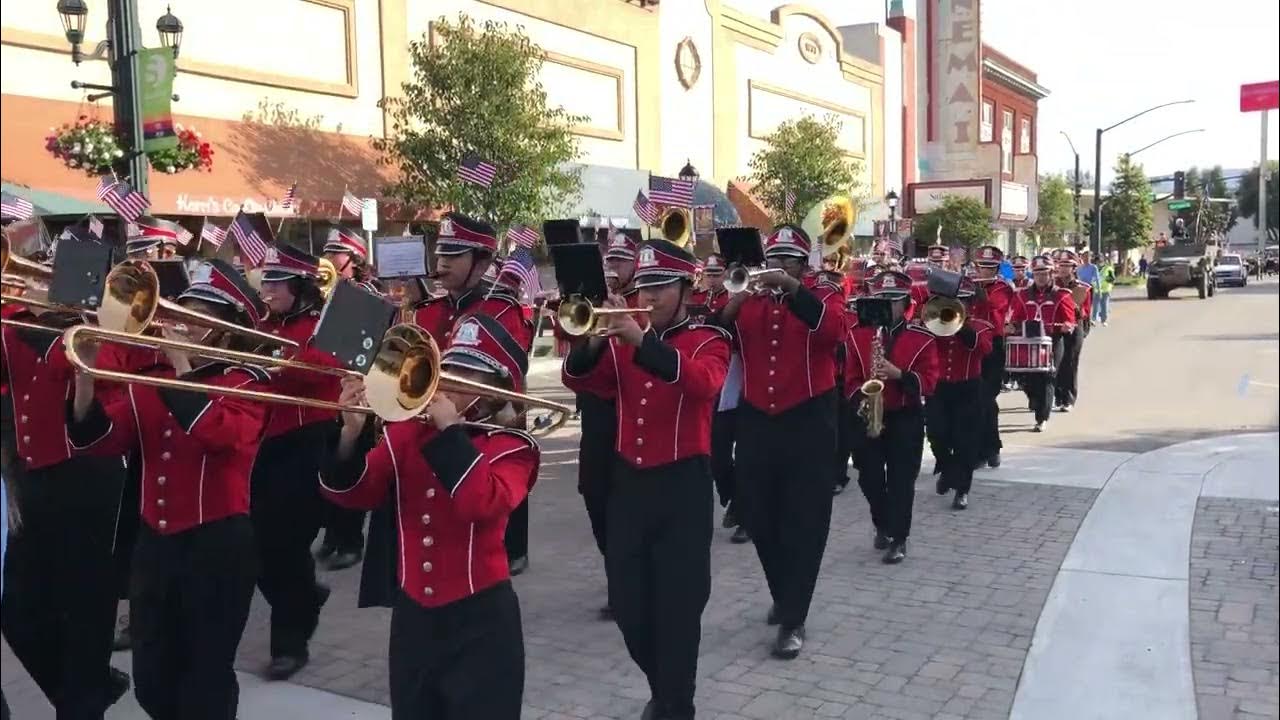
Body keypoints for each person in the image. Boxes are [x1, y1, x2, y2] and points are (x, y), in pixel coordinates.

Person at [68, 259, 271, 720]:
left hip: (217, 544)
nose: (178, 326)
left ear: (225, 329)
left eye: (195, 319)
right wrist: (85, 377)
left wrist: (182, 368)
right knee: (153, 678)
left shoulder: (248, 382)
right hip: (155, 544)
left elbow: (219, 434)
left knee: (206, 676)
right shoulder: (154, 378)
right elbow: (103, 439)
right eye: (181, 315)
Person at [322, 314, 539, 720]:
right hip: (413, 617)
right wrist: (350, 433)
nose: (445, 381)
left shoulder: (512, 447)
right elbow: (352, 494)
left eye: (463, 372)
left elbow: (482, 504)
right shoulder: (406, 434)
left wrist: (451, 433)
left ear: (491, 390)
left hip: (481, 621)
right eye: (448, 367)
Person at [563, 239, 730, 720]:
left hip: (684, 485)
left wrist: (641, 341)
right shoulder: (622, 341)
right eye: (644, 286)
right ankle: (666, 689)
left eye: (660, 287)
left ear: (685, 288)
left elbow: (704, 385)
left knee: (679, 609)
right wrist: (595, 338)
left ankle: (676, 703)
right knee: (628, 605)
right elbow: (582, 383)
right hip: (630, 484)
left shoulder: (709, 338)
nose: (650, 297)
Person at [712, 225, 844, 660]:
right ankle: (784, 595)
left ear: (804, 267)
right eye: (776, 259)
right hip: (757, 421)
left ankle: (793, 618)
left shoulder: (822, 296)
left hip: (808, 419)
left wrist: (792, 290)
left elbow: (833, 334)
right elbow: (716, 338)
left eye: (789, 261)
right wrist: (735, 298)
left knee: (804, 524)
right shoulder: (749, 298)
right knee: (760, 516)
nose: (779, 268)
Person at [2, 275, 130, 717]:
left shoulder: (95, 333)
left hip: (88, 478)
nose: (29, 289)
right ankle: (84, 690)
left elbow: (111, 409)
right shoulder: (12, 330)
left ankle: (82, 700)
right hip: (31, 478)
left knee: (84, 609)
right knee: (17, 610)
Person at [249, 245, 341, 680]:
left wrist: (276, 359)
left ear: (300, 287)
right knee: (260, 549)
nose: (266, 289)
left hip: (306, 441)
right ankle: (306, 595)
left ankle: (290, 644)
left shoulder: (322, 323)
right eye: (265, 281)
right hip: (261, 443)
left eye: (275, 282)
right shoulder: (258, 324)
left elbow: (331, 367)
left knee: (286, 545)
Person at [567, 228, 642, 617]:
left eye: (620, 261)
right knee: (592, 491)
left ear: (635, 266)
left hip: (633, 409)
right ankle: (618, 571)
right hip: (598, 410)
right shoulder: (590, 301)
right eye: (609, 261)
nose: (613, 268)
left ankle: (626, 583)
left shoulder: (646, 301)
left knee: (627, 500)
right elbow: (572, 362)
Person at [845, 270, 939, 564]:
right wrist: (860, 398)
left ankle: (899, 537)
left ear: (906, 304)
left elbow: (931, 381)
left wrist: (901, 375)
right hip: (868, 416)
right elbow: (847, 377)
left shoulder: (922, 337)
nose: (887, 305)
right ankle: (882, 522)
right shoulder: (858, 334)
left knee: (901, 481)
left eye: (894, 300)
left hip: (905, 416)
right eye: (882, 299)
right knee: (869, 479)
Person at [315, 225, 374, 570]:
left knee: (353, 466)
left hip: (357, 390)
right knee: (332, 465)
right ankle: (333, 536)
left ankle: (351, 540)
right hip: (332, 392)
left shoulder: (365, 294)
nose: (329, 259)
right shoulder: (325, 292)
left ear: (354, 259)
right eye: (328, 252)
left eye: (336, 253)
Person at [925, 278, 994, 509]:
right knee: (936, 434)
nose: (958, 305)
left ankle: (962, 490)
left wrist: (960, 325)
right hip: (939, 388)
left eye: (962, 302)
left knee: (966, 443)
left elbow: (983, 349)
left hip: (968, 389)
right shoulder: (935, 322)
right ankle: (946, 469)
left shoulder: (980, 326)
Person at [1009, 256, 1076, 432]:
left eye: (1044, 273)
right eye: (1037, 273)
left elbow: (1070, 320)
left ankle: (1042, 418)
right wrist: (1011, 326)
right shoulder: (1022, 295)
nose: (1040, 277)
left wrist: (1066, 326)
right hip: (1029, 341)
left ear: (1051, 274)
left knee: (1048, 377)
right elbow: (1016, 318)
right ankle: (1035, 399)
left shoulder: (1062, 295)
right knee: (1027, 378)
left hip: (1053, 341)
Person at [968, 245, 1015, 469]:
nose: (984, 272)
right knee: (974, 400)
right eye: (981, 267)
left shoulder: (1003, 288)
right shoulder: (968, 284)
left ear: (996, 268)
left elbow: (994, 307)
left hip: (993, 345)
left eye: (989, 268)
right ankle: (986, 448)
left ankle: (990, 449)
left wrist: (977, 292)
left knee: (987, 398)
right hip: (971, 343)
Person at [1053, 250, 1091, 412]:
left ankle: (1068, 398)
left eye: (1067, 265)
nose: (1062, 269)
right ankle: (1057, 396)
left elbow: (1087, 312)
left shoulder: (1083, 288)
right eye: (1060, 265)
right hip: (1056, 326)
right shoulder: (1052, 286)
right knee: (1055, 362)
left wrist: (1076, 310)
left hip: (1075, 326)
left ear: (1074, 268)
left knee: (1070, 361)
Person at [1093, 255, 1115, 327]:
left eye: (1100, 262)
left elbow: (1112, 279)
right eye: (1097, 262)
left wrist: (1105, 278)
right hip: (1096, 290)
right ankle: (1094, 319)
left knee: (1104, 305)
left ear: (1103, 261)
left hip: (1105, 290)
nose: (1098, 263)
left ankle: (1104, 320)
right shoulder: (1093, 269)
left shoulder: (1108, 268)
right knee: (1095, 305)